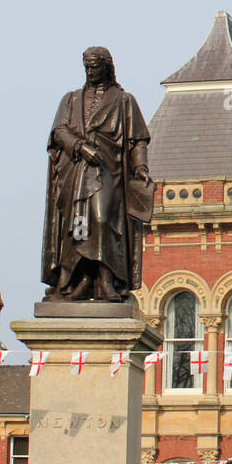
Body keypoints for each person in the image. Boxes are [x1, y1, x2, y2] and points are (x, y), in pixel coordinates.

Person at [41, 47, 153, 302]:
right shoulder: (70, 99)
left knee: (103, 221)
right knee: (78, 227)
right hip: (77, 172)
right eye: (87, 68)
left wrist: (141, 168)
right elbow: (58, 131)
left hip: (109, 172)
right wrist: (80, 146)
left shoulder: (125, 101)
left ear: (107, 67)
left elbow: (138, 141)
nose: (91, 72)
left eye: (95, 67)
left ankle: (107, 279)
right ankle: (82, 280)